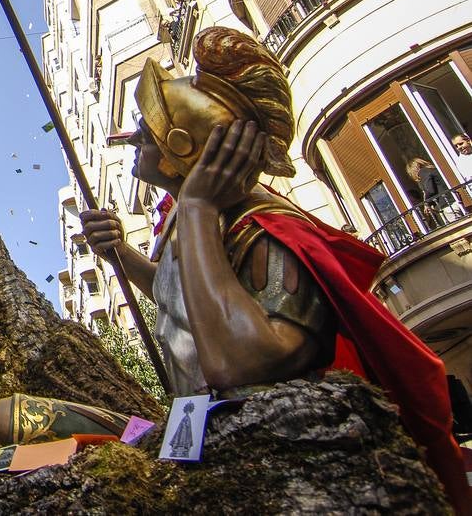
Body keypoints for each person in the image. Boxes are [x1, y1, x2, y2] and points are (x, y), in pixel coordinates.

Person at [75, 27, 468, 513]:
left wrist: (197, 205)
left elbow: (242, 362)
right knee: (8, 422)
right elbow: (184, 301)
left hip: (264, 453)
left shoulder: (263, 229)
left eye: (148, 129)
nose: (132, 137)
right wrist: (124, 255)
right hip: (192, 425)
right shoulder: (182, 223)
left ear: (183, 148)